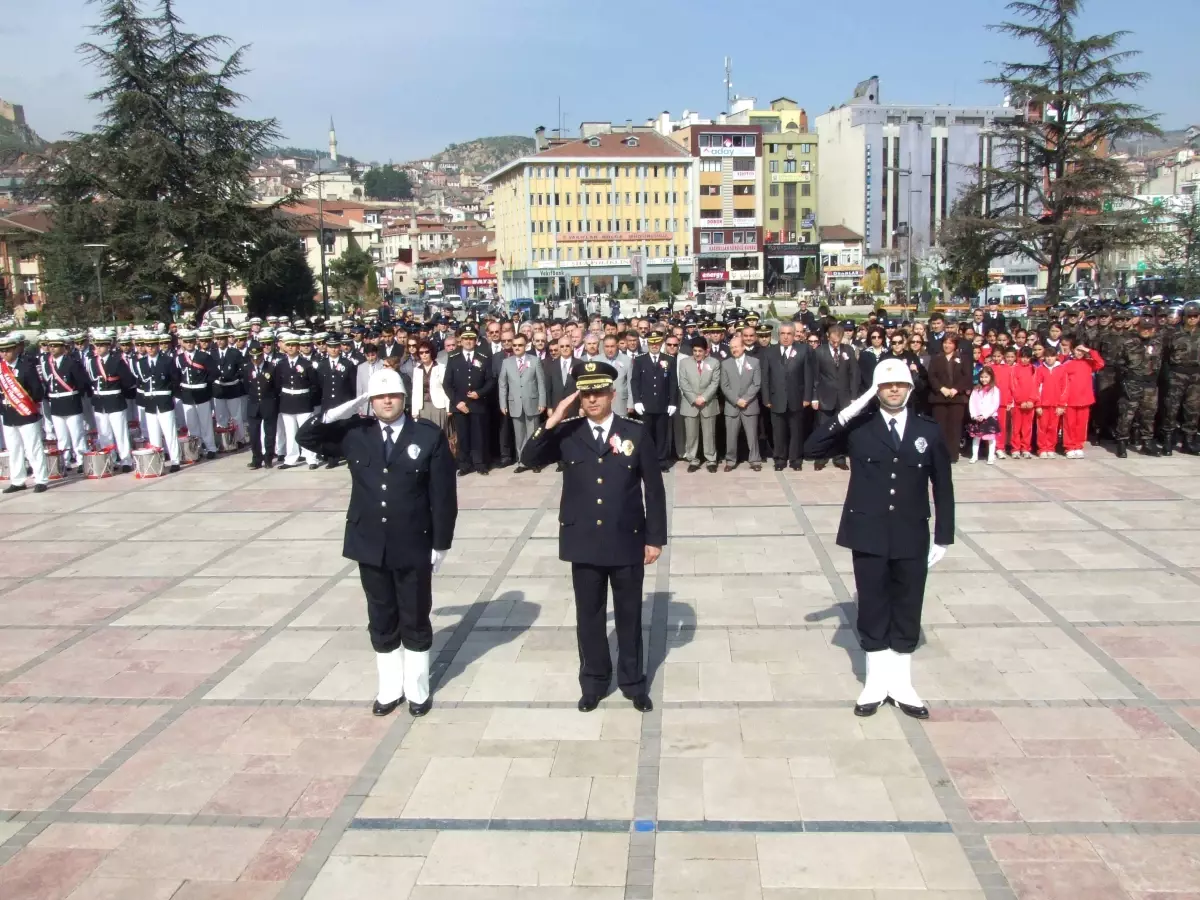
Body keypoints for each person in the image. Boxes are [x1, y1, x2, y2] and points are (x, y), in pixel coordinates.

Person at [297, 367, 457, 718]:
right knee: (381, 615)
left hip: (413, 541)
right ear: (370, 401)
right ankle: (389, 688)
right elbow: (306, 438)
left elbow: (444, 496)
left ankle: (416, 689)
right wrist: (338, 411)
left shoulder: (427, 436)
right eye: (380, 396)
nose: (387, 401)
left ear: (403, 398)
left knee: (414, 615)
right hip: (369, 541)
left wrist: (441, 544)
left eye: (394, 395)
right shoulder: (357, 433)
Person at [804, 358, 955, 719]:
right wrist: (857, 404)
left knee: (907, 606)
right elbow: (812, 448)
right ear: (876, 390)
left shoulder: (927, 430)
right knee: (872, 607)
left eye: (900, 385)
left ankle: (902, 684)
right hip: (868, 532)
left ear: (910, 389)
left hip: (910, 532)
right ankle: (874, 683)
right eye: (885, 386)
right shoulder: (861, 428)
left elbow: (943, 487)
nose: (893, 390)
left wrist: (943, 537)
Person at [519, 361, 666, 713]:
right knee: (590, 617)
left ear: (613, 394)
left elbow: (654, 490)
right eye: (586, 394)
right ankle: (594, 682)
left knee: (629, 616)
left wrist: (655, 537)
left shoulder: (635, 433)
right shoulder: (568, 433)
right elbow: (529, 457)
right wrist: (553, 420)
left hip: (626, 539)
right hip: (583, 541)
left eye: (599, 392)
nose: (592, 399)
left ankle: (633, 683)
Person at [443, 325, 495, 476]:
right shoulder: (453, 357)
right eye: (465, 338)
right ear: (460, 340)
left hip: (477, 404)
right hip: (460, 405)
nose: (468, 341)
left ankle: (480, 464)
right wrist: (457, 402)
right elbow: (447, 383)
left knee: (479, 436)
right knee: (463, 436)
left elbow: (490, 380)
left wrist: (480, 393)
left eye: (471, 338)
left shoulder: (484, 356)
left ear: (476, 340)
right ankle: (464, 464)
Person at [761, 322, 813, 471]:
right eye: (782, 334)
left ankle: (796, 459)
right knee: (778, 432)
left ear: (794, 335)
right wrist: (766, 398)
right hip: (776, 399)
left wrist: (807, 397)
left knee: (796, 431)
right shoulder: (770, 352)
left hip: (797, 398)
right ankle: (780, 459)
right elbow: (765, 378)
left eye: (789, 334)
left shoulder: (803, 350)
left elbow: (808, 376)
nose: (785, 337)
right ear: (778, 335)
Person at [0, 332, 48, 493]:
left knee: (33, 448)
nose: (4, 353)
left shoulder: (26, 366)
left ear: (15, 350)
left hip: (26, 413)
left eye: (7, 350)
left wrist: (26, 404)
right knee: (14, 449)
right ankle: (18, 480)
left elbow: (37, 391)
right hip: (8, 413)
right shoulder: (1, 369)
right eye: (2, 350)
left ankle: (41, 479)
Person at [810, 323, 858, 471]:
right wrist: (814, 397)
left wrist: (854, 396)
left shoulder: (848, 350)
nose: (835, 343)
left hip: (843, 397)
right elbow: (814, 376)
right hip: (825, 396)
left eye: (838, 340)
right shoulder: (820, 352)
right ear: (828, 337)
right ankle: (821, 457)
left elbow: (854, 375)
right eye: (833, 340)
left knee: (841, 428)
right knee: (824, 428)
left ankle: (839, 457)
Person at [630, 332, 678, 472]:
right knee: (646, 436)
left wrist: (672, 402)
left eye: (657, 343)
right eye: (652, 343)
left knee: (662, 435)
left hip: (663, 404)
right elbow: (635, 382)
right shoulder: (640, 360)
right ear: (648, 344)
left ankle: (662, 462)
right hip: (646, 405)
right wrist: (637, 401)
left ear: (661, 343)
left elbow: (673, 382)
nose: (654, 346)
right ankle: (647, 462)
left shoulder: (669, 359)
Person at [498, 332, 546, 470]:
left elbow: (541, 383)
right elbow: (502, 384)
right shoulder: (506, 362)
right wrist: (503, 403)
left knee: (534, 434)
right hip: (515, 404)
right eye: (514, 345)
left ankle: (535, 461)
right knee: (519, 436)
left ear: (526, 346)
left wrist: (542, 401)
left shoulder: (534, 360)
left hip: (532, 402)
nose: (517, 347)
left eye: (520, 345)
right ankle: (522, 461)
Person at [720, 335, 762, 471]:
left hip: (749, 405)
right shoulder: (725, 364)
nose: (734, 350)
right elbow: (724, 386)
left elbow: (756, 384)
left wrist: (746, 399)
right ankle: (730, 461)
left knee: (752, 435)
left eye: (736, 347)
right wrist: (736, 400)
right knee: (730, 436)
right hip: (732, 406)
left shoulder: (754, 362)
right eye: (731, 347)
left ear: (743, 347)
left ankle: (755, 460)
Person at [677, 337, 720, 473]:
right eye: (694, 351)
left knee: (709, 434)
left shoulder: (714, 363)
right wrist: (694, 398)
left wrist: (704, 397)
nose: (697, 354)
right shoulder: (684, 363)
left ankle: (711, 459)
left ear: (706, 351)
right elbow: (683, 383)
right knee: (691, 434)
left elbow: (715, 383)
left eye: (700, 351)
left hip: (708, 403)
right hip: (691, 404)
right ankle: (693, 459)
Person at [927, 333, 971, 464]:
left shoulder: (963, 358)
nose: (947, 345)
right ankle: (940, 454)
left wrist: (956, 389)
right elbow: (932, 377)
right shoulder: (936, 358)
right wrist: (942, 389)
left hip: (957, 398)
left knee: (955, 427)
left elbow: (967, 376)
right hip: (939, 398)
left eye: (951, 343)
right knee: (940, 428)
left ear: (955, 345)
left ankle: (953, 454)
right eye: (945, 342)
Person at [1061, 342, 1104, 458]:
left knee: (1081, 425)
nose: (1079, 353)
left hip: (1085, 399)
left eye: (1081, 351)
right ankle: (1069, 446)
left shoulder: (1089, 363)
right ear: (1073, 350)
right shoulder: (1067, 364)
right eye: (1077, 350)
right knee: (1069, 424)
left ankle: (1078, 445)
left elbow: (1100, 363)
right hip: (1070, 399)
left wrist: (1088, 350)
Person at [242, 343, 279, 469]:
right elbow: (247, 387)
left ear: (262, 355)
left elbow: (276, 387)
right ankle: (256, 458)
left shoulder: (271, 368)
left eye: (258, 357)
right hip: (253, 405)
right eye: (253, 357)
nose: (256, 360)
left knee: (270, 433)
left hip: (268, 404)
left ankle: (268, 457)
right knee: (253, 434)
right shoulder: (247, 368)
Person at [967, 366, 1001, 465]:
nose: (984, 379)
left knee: (991, 438)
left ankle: (991, 456)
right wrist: (974, 415)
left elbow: (995, 404)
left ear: (991, 377)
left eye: (986, 377)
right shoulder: (976, 389)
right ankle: (974, 456)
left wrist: (985, 415)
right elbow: (972, 403)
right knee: (976, 437)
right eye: (982, 377)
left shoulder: (995, 390)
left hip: (990, 417)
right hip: (977, 417)